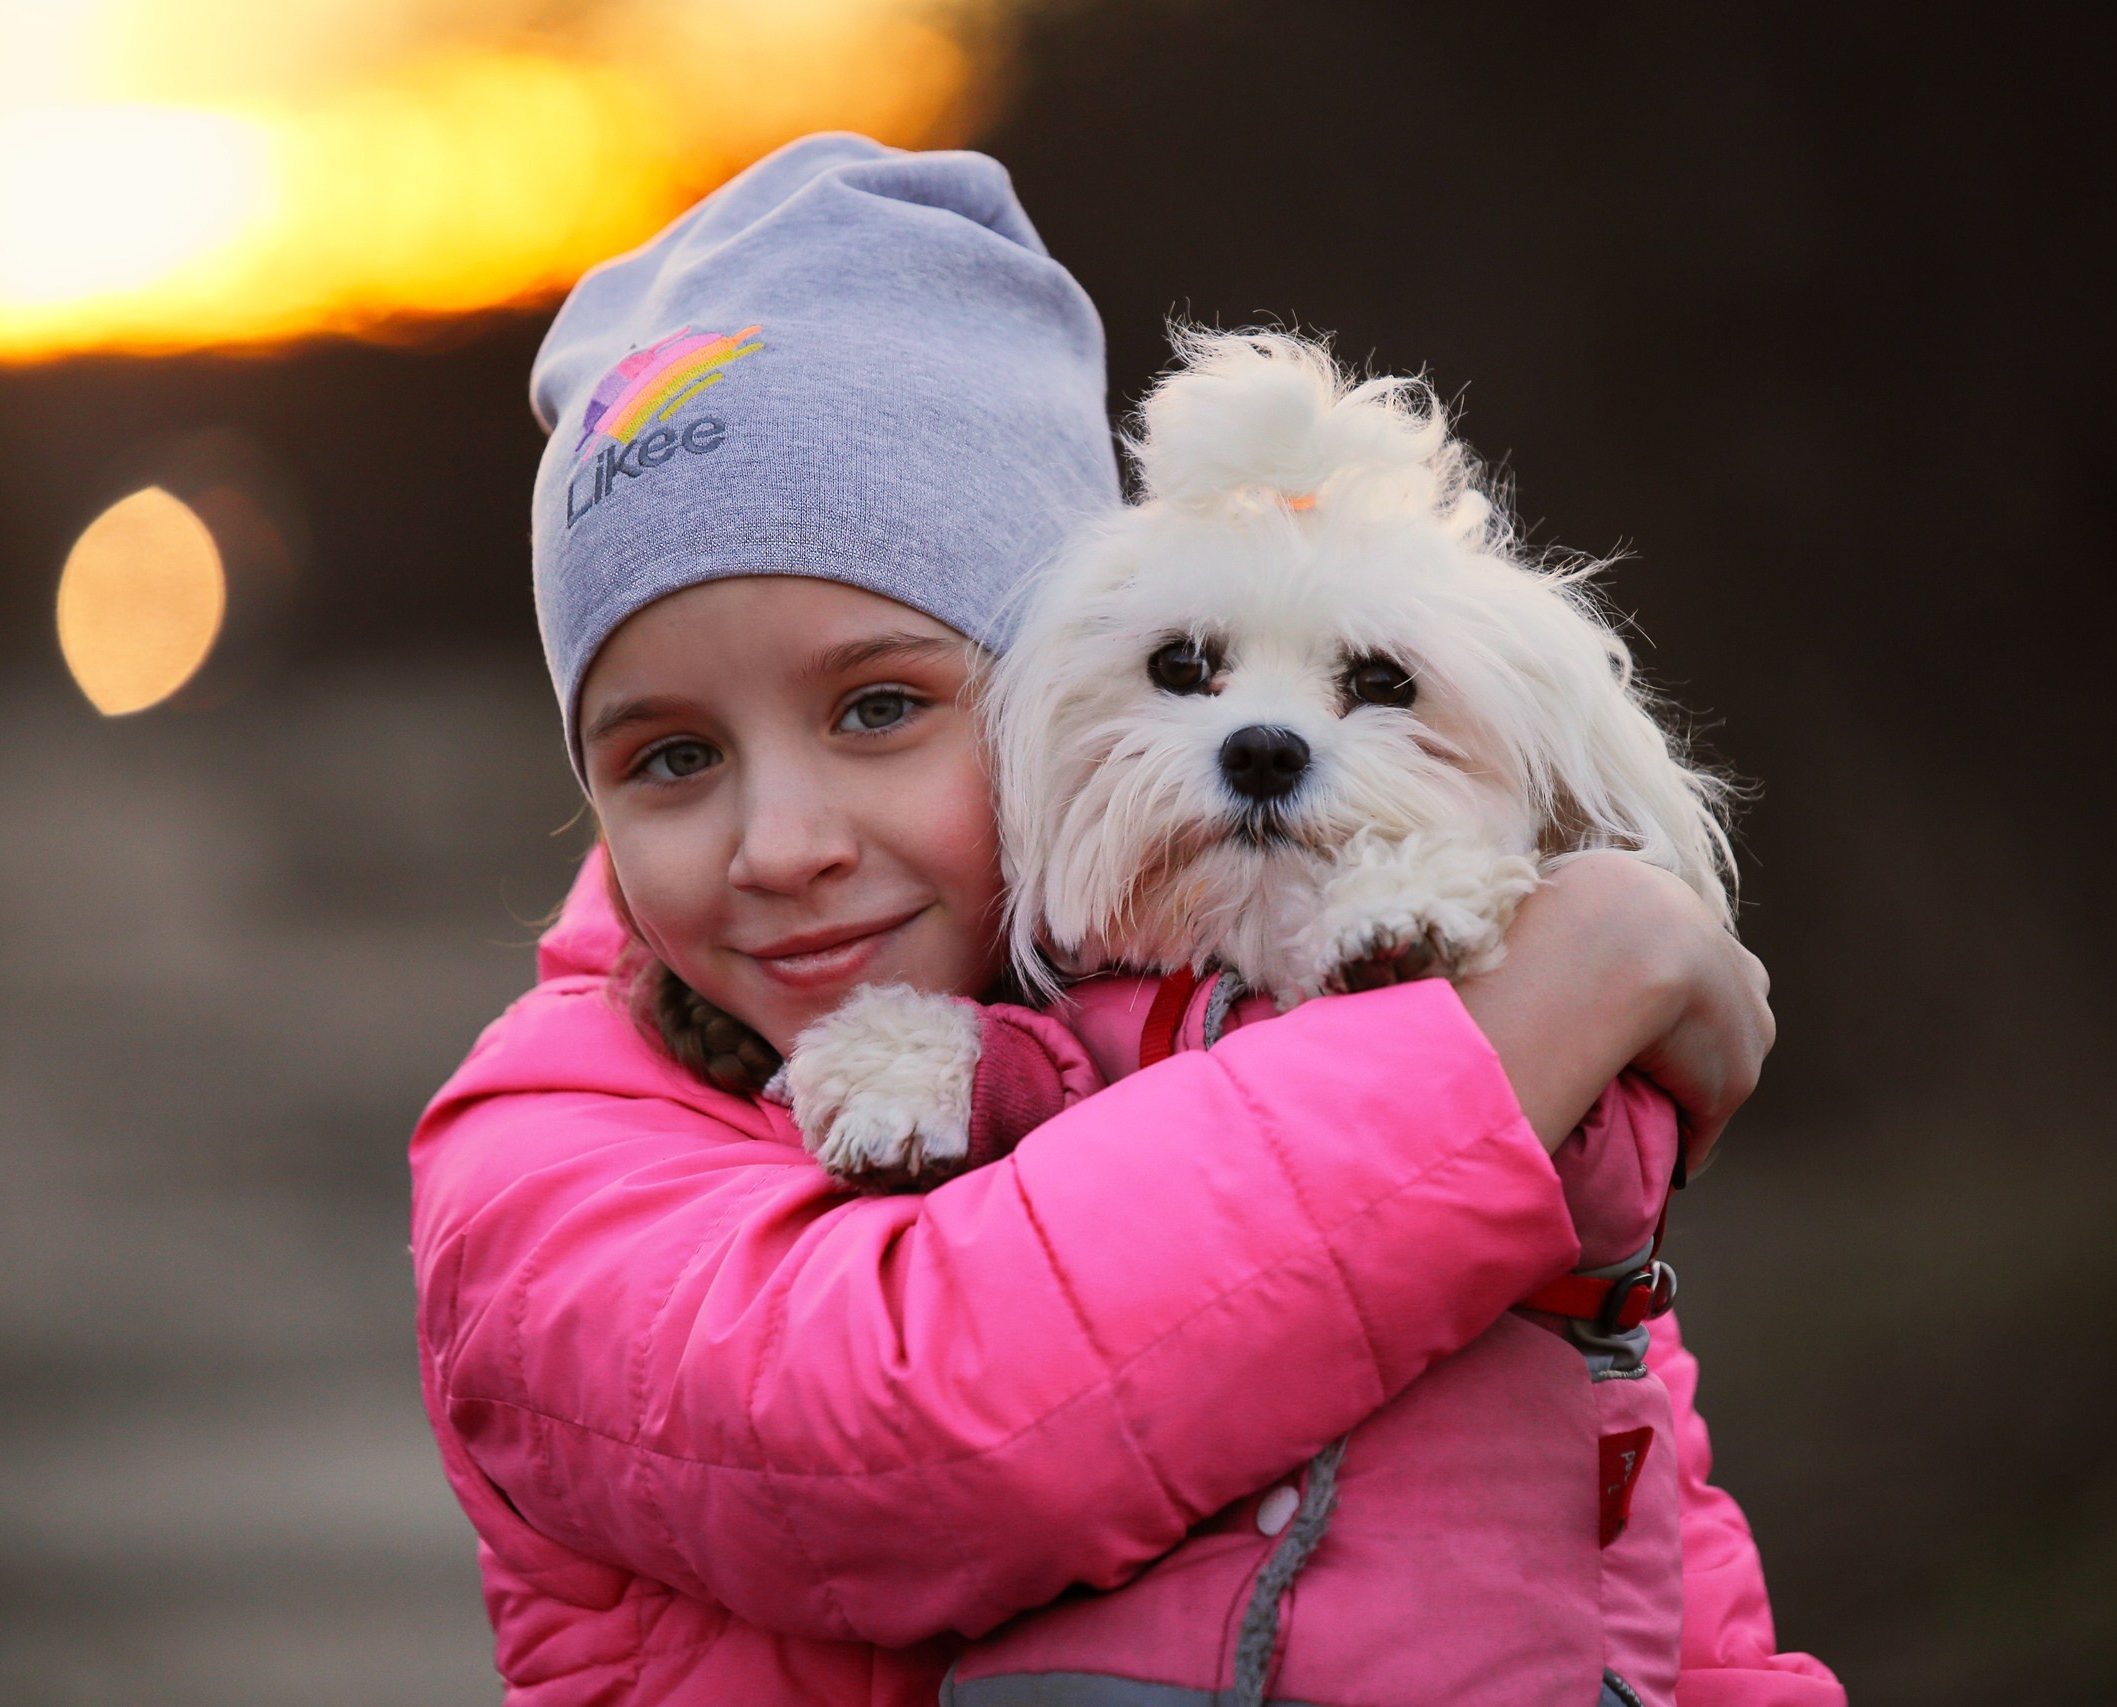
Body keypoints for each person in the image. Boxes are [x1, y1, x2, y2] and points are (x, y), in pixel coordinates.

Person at [410, 131, 1844, 1706]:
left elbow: (1675, 1603)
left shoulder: (1369, 1029)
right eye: (671, 758)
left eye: (881, 708)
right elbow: (912, 1447)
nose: (784, 844)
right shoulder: (542, 1163)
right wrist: (1523, 1034)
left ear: (1056, 689)